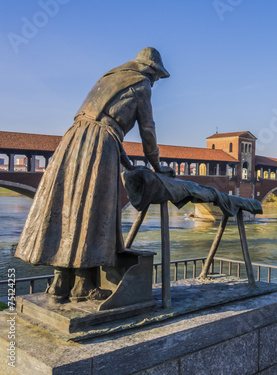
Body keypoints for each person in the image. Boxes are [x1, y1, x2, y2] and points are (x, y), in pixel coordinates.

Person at [15, 47, 174, 301]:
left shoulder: (108, 78)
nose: (154, 83)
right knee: (93, 209)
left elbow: (100, 119)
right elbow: (147, 129)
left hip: (73, 139)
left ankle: (60, 282)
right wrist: (156, 165)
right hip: (100, 146)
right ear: (150, 69)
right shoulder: (141, 84)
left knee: (66, 206)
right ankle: (82, 285)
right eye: (156, 78)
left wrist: (125, 159)